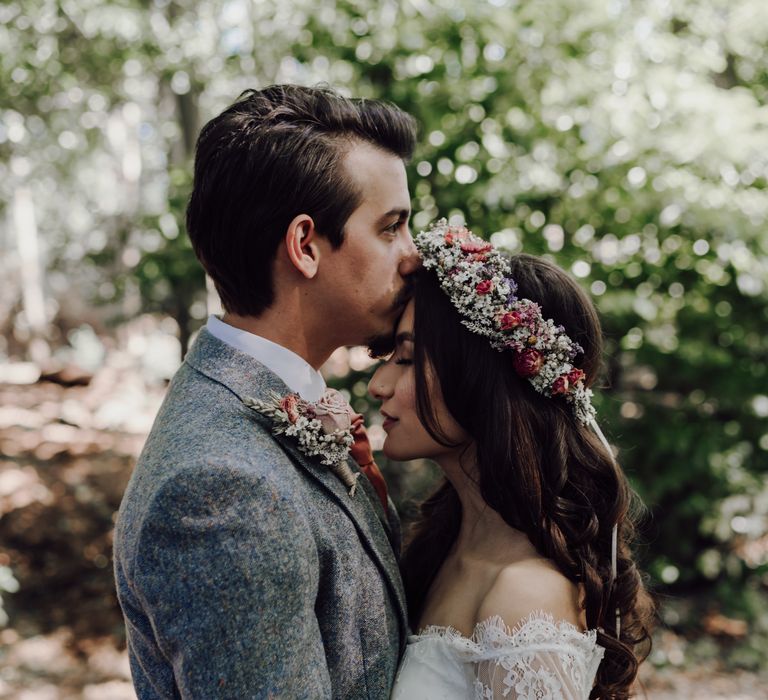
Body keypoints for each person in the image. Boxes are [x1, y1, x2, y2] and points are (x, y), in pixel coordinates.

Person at [113, 85, 420, 698]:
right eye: (391, 229)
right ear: (305, 245)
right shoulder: (222, 492)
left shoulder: (267, 405)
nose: (412, 256)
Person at [368, 221, 655, 699]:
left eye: (406, 359)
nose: (378, 384)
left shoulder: (525, 598)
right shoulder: (438, 549)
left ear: (481, 379)